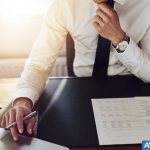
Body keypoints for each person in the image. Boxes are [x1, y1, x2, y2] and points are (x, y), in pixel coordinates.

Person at [1, 0, 150, 141]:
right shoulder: (64, 4)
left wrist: (120, 39)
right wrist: (23, 102)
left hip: (131, 93)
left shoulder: (145, 5)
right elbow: (39, 64)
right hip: (79, 94)